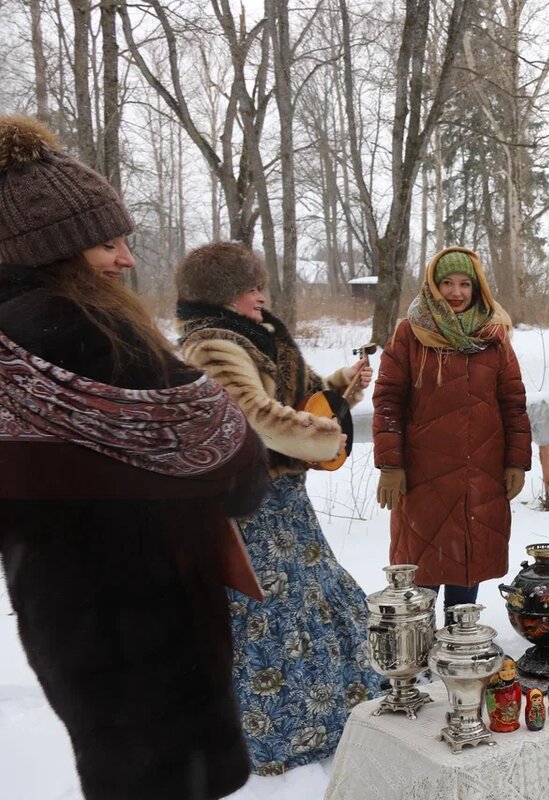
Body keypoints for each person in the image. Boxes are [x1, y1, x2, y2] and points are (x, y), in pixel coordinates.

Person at [0, 115, 269, 799]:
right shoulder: (98, 334)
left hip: (62, 620)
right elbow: (238, 469)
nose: (125, 259)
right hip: (153, 629)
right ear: (56, 250)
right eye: (107, 243)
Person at [176, 241, 377, 775]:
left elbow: (302, 396)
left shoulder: (259, 336)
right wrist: (326, 440)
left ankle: (336, 710)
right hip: (248, 508)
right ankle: (279, 736)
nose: (262, 296)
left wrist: (342, 387)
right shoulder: (210, 347)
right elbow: (255, 417)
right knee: (271, 618)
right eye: (252, 288)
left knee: (318, 598)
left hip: (285, 502)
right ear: (223, 296)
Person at [373, 246, 531, 624]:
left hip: (481, 473)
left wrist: (516, 461)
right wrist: (390, 465)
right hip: (423, 475)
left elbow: (513, 403)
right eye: (447, 283)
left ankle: (461, 642)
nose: (456, 292)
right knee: (421, 569)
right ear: (433, 285)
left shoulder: (494, 336)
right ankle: (419, 650)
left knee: (467, 561)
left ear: (477, 289)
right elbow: (388, 402)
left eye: (465, 284)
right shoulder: (410, 333)